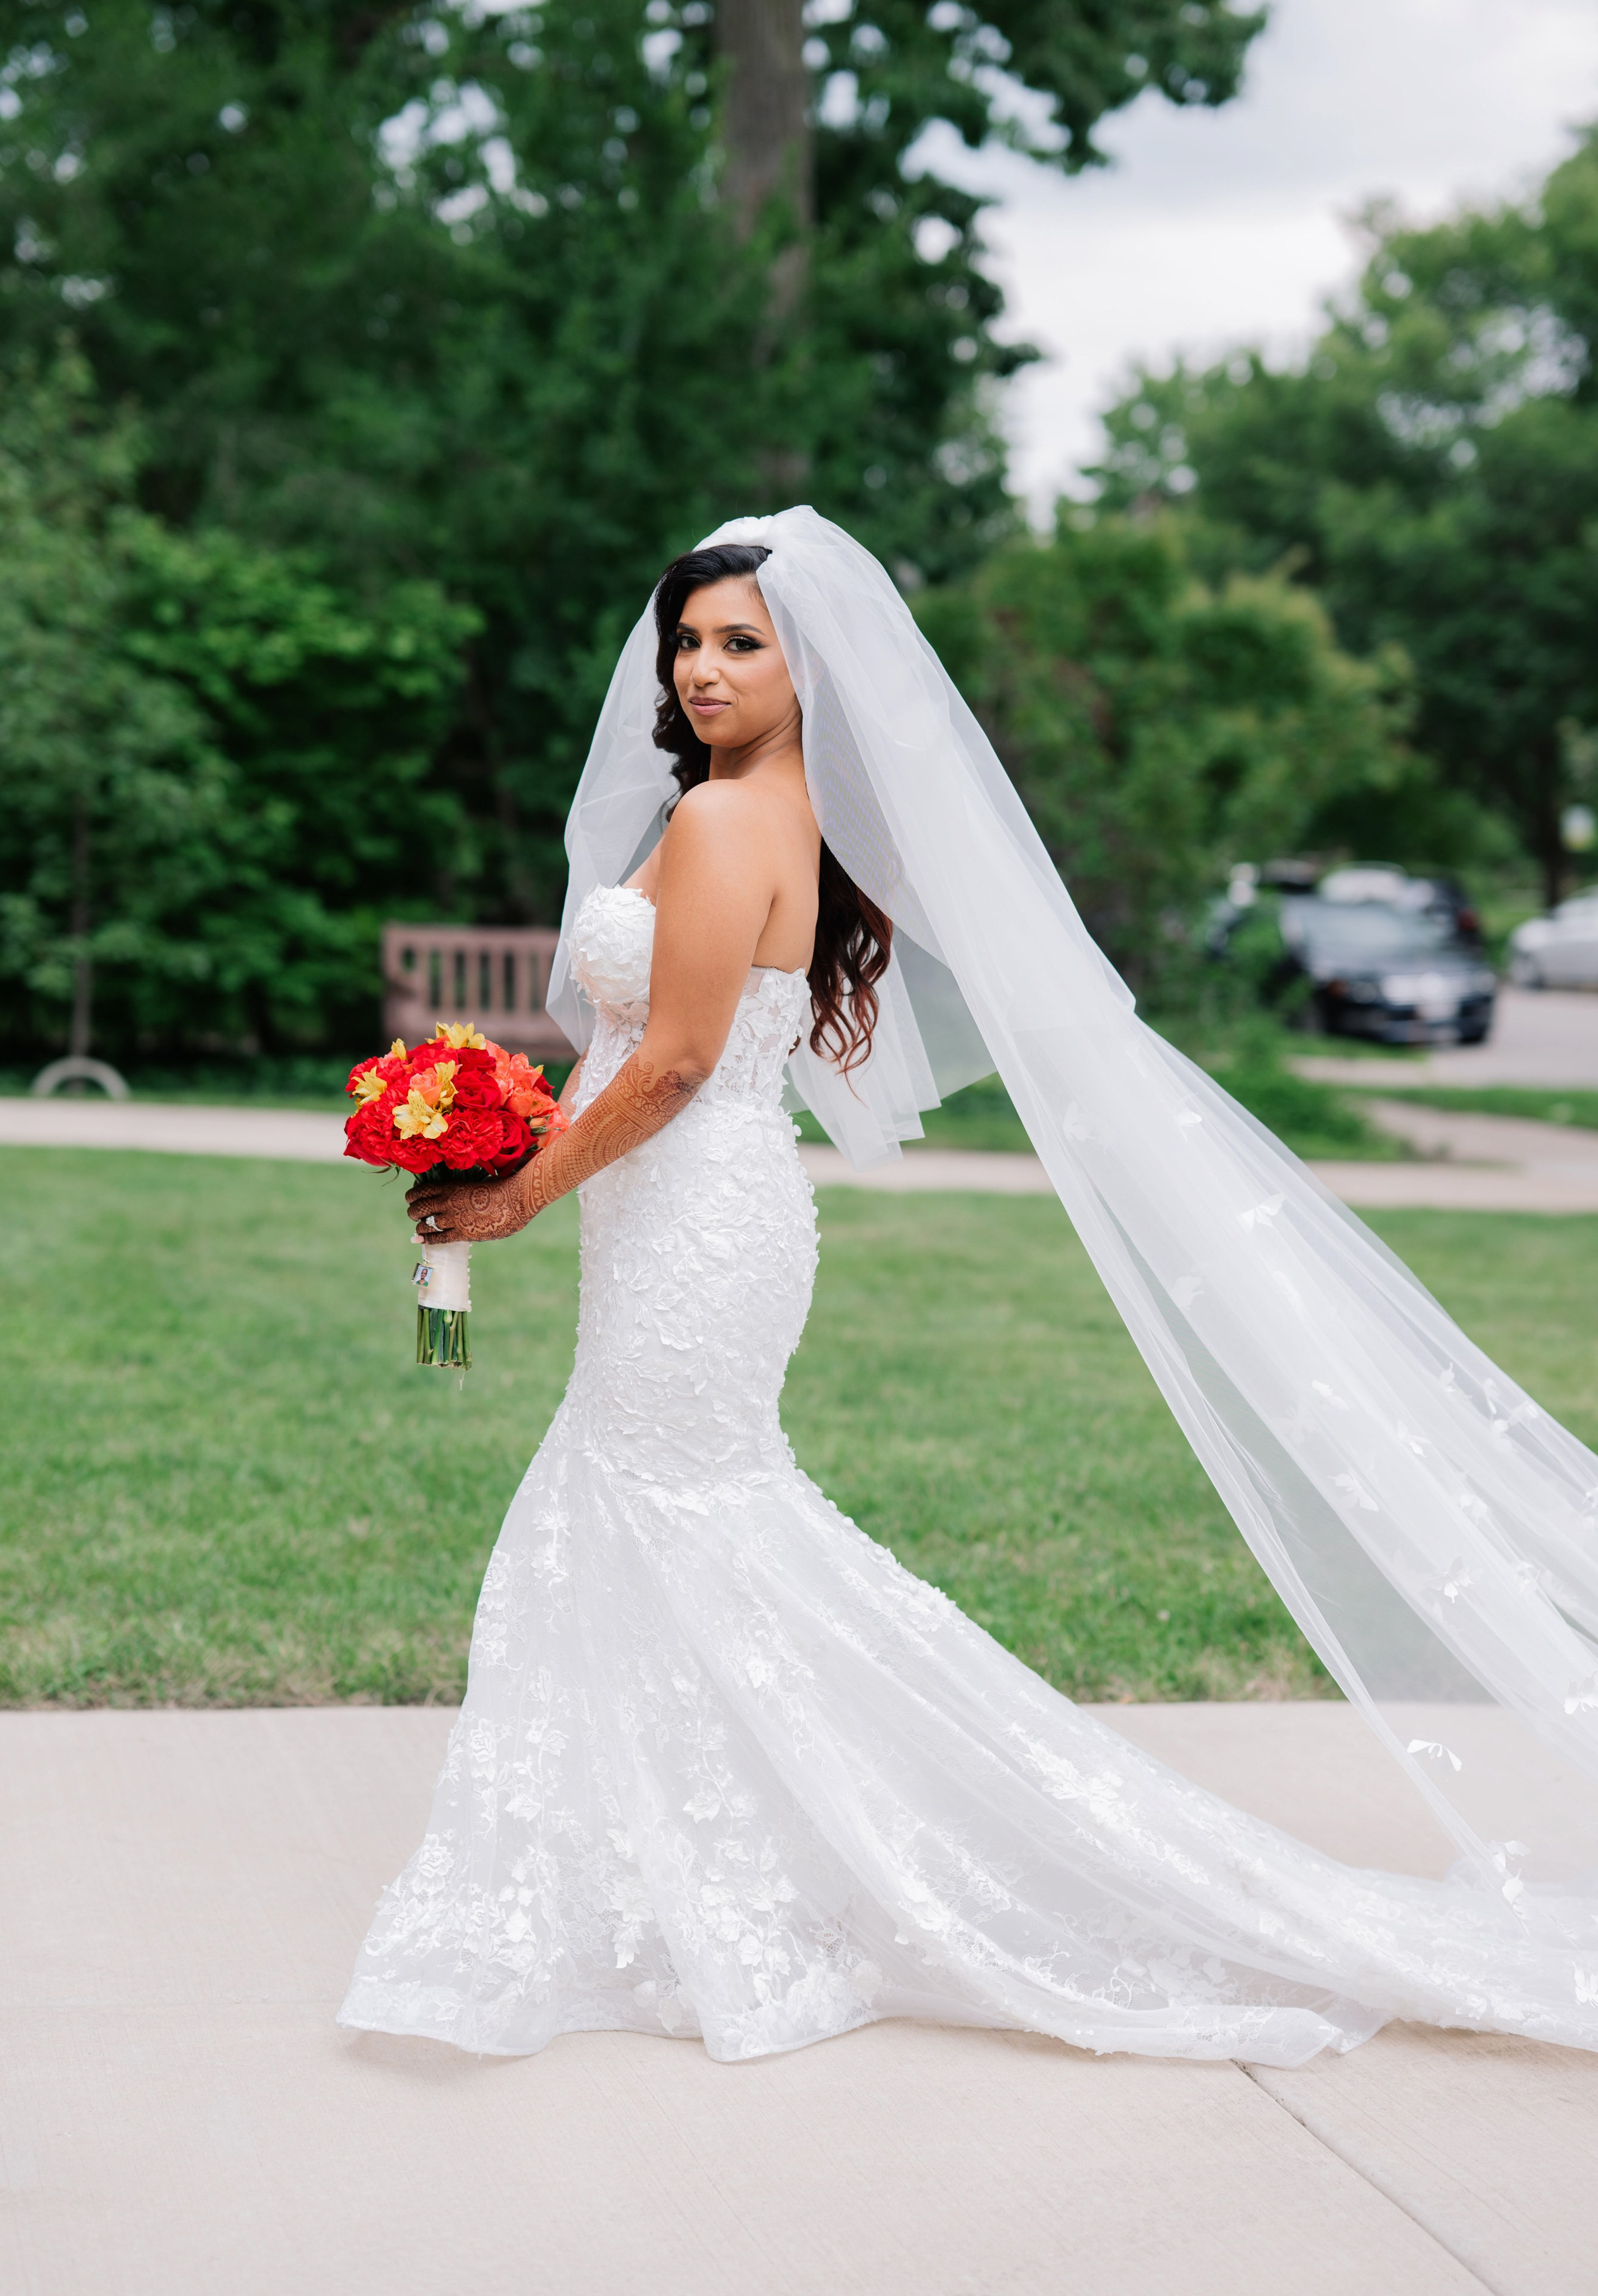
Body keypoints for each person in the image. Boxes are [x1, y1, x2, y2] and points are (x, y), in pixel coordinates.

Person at [340, 511, 1598, 2066]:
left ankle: (810, 1864)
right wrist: (487, 1117)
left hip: (697, 1224)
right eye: (690, 640)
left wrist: (515, 1194)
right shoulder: (740, 804)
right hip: (684, 1217)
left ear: (810, 669)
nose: (707, 668)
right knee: (659, 1520)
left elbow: (671, 1061)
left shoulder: (737, 821)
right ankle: (689, 1869)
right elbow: (649, 1040)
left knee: (665, 1512)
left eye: (746, 642)